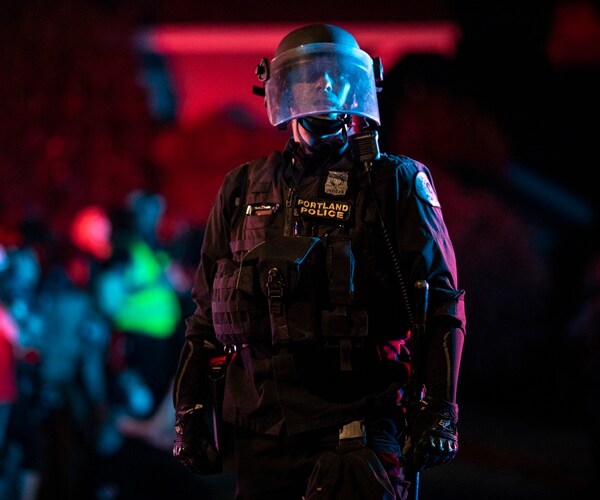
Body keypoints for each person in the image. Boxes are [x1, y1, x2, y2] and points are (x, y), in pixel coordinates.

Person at [172, 24, 466, 500]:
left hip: (355, 427)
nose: (327, 87)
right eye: (312, 77)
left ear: (360, 86)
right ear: (281, 88)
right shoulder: (242, 188)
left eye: (338, 77)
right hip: (262, 431)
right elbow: (207, 313)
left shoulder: (393, 182)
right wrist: (189, 410)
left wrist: (440, 409)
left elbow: (442, 303)